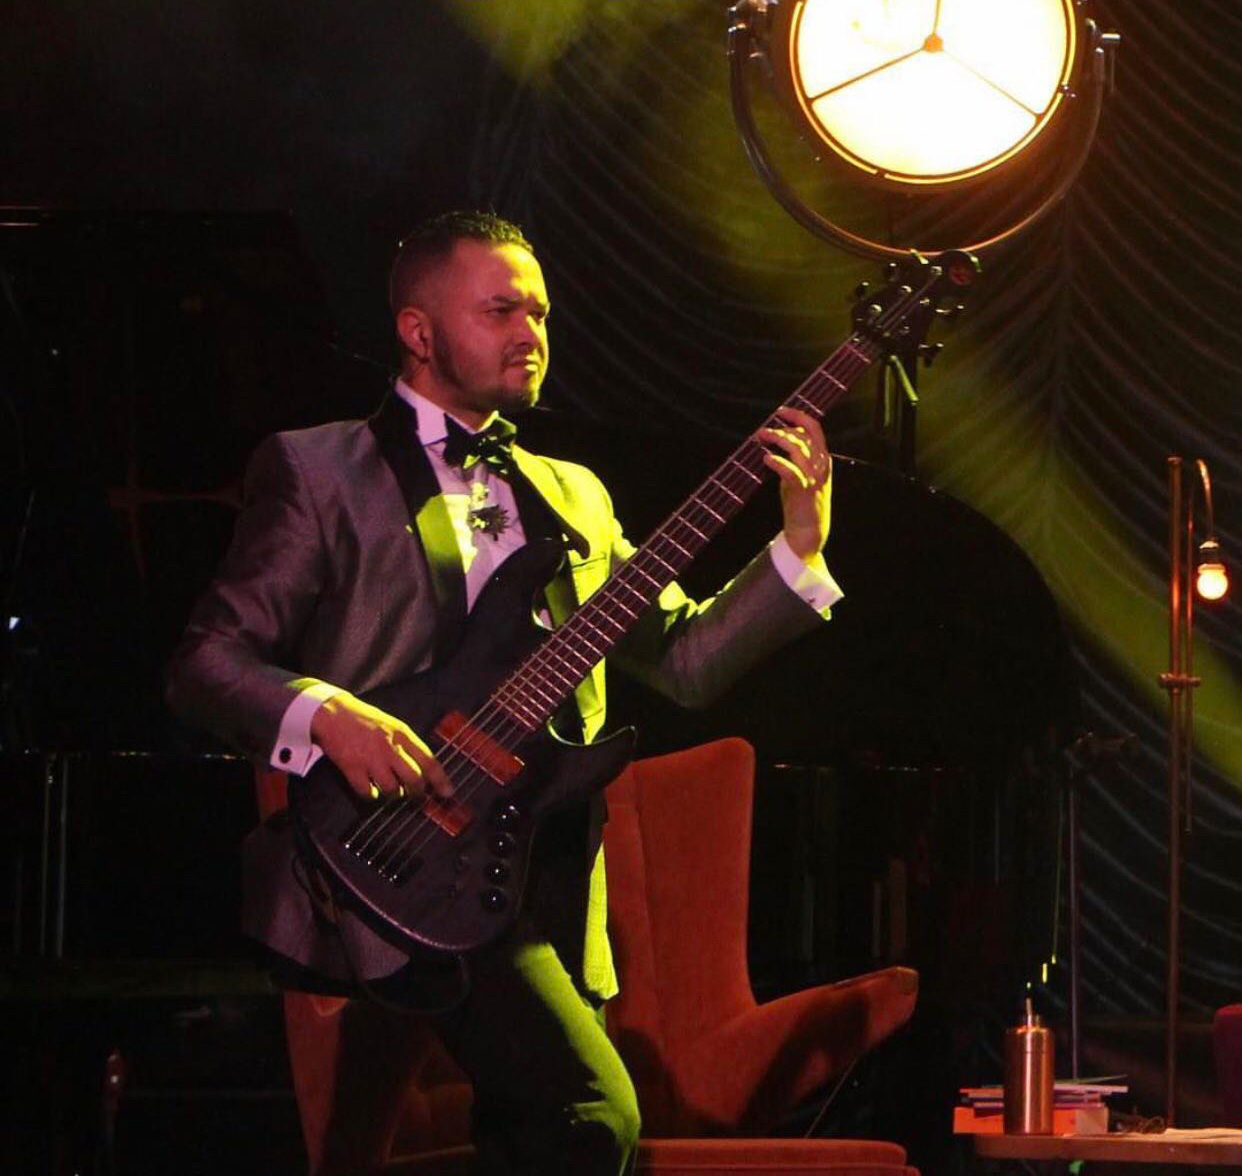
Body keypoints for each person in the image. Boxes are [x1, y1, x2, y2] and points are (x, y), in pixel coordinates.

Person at [166, 210, 841, 1176]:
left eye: (540, 313)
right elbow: (207, 662)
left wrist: (800, 546)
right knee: (588, 1116)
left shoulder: (575, 494)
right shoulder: (318, 471)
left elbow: (685, 660)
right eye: (500, 311)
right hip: (401, 853)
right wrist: (327, 714)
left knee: (531, 1140)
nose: (530, 333)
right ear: (418, 331)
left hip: (549, 861)